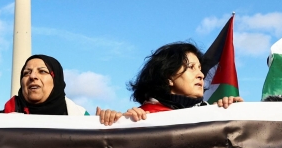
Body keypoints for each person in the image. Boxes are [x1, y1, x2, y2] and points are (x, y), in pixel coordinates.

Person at [96, 42, 243, 126]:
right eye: (191, 67)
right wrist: (112, 123)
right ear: (168, 76)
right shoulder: (141, 117)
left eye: (200, 68)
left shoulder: (214, 114)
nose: (201, 75)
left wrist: (235, 113)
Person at [0, 55, 87, 119]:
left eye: (42, 71)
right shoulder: (1, 119)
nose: (32, 76)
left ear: (57, 80)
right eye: (26, 73)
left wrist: (104, 121)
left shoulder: (82, 118)